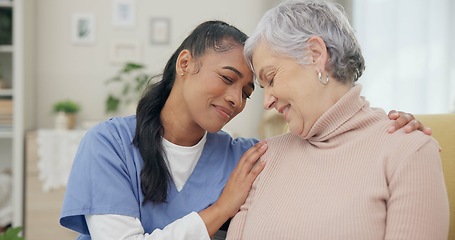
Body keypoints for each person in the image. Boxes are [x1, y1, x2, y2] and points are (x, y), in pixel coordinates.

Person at [59, 20, 428, 240]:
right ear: (186, 63)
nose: (237, 99)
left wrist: (386, 128)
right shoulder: (109, 145)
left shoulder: (245, 156)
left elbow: (328, 145)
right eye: (227, 78)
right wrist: (220, 209)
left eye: (249, 91)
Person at [226, 1, 449, 240]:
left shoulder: (408, 151)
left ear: (316, 55)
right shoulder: (266, 158)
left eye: (270, 78)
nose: (267, 101)